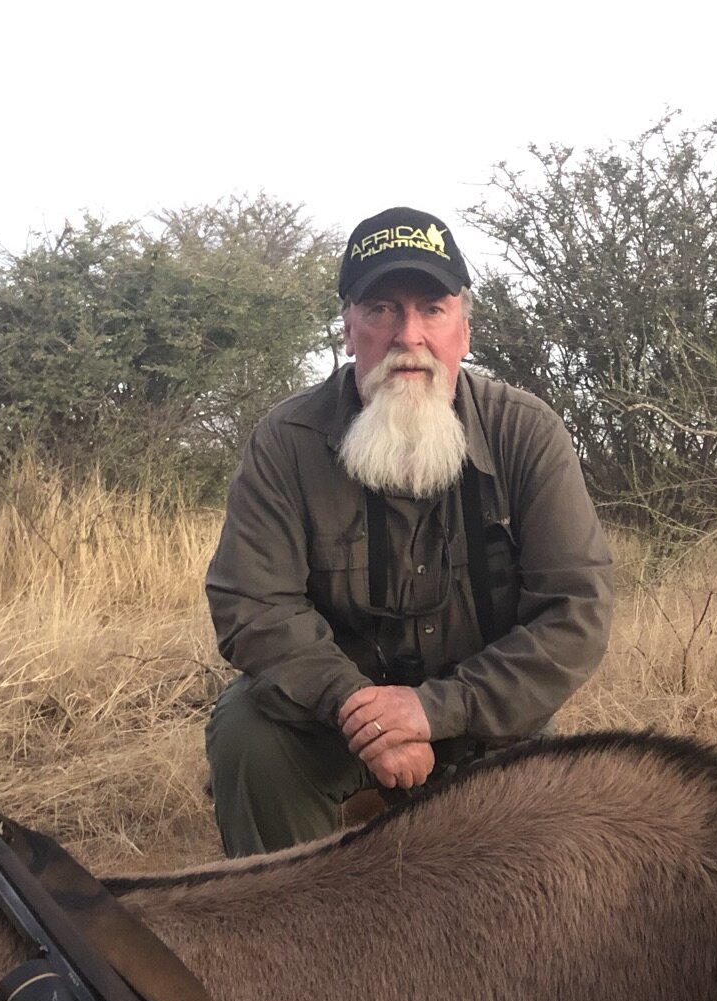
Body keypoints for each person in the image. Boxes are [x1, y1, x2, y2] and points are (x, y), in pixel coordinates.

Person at [203, 207, 613, 855]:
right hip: (339, 723)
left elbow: (575, 613)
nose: (408, 336)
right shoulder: (287, 441)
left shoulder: (527, 433)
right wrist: (358, 709)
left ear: (464, 330)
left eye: (432, 310)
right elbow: (252, 604)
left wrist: (435, 710)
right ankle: (300, 933)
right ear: (348, 329)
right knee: (249, 729)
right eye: (382, 310)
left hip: (490, 725)